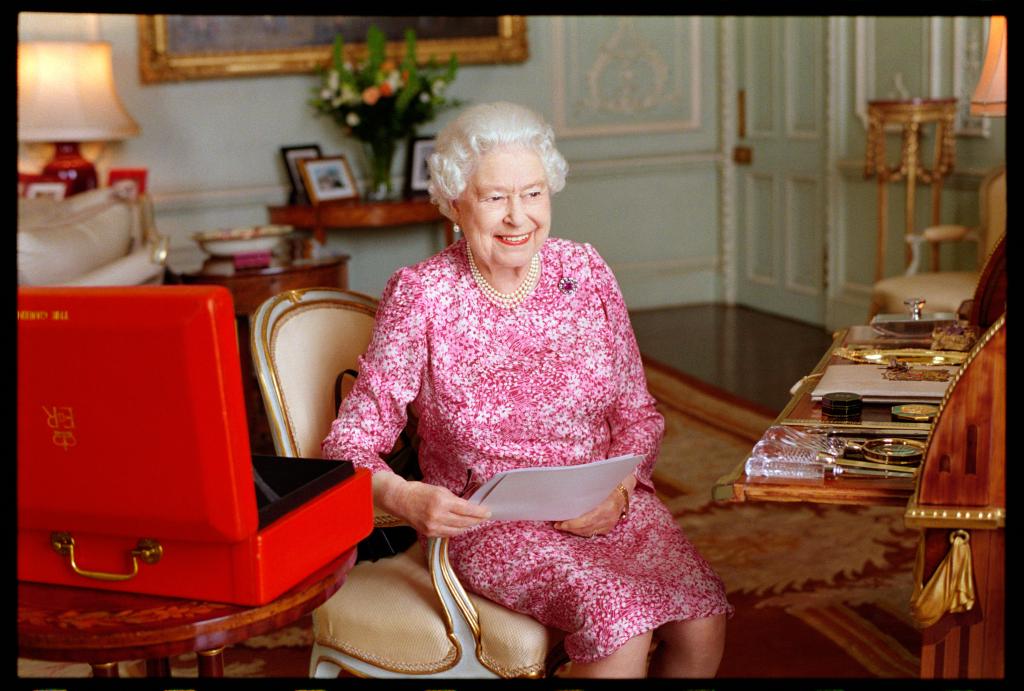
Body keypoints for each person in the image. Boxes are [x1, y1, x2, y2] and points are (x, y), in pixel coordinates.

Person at [322, 101, 731, 678]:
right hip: (490, 525)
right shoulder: (423, 296)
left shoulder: (585, 273)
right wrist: (406, 498)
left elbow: (636, 412)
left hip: (607, 504)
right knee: (622, 623)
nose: (518, 217)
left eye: (533, 193)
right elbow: (347, 447)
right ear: (455, 203)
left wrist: (618, 491)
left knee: (702, 614)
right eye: (495, 197)